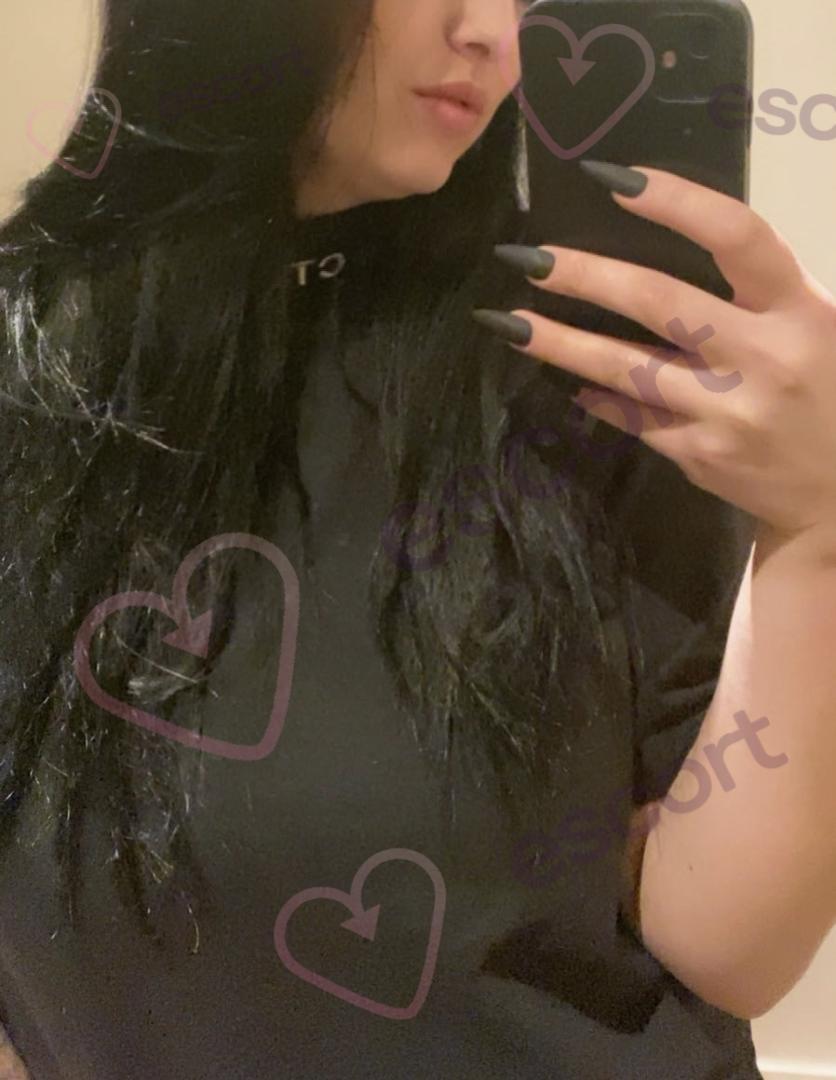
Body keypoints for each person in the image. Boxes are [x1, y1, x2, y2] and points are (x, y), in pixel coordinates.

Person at [1, 1, 835, 1077]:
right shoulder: (33, 365)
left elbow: (722, 950)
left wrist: (817, 531)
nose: (493, 32)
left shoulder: (582, 357)